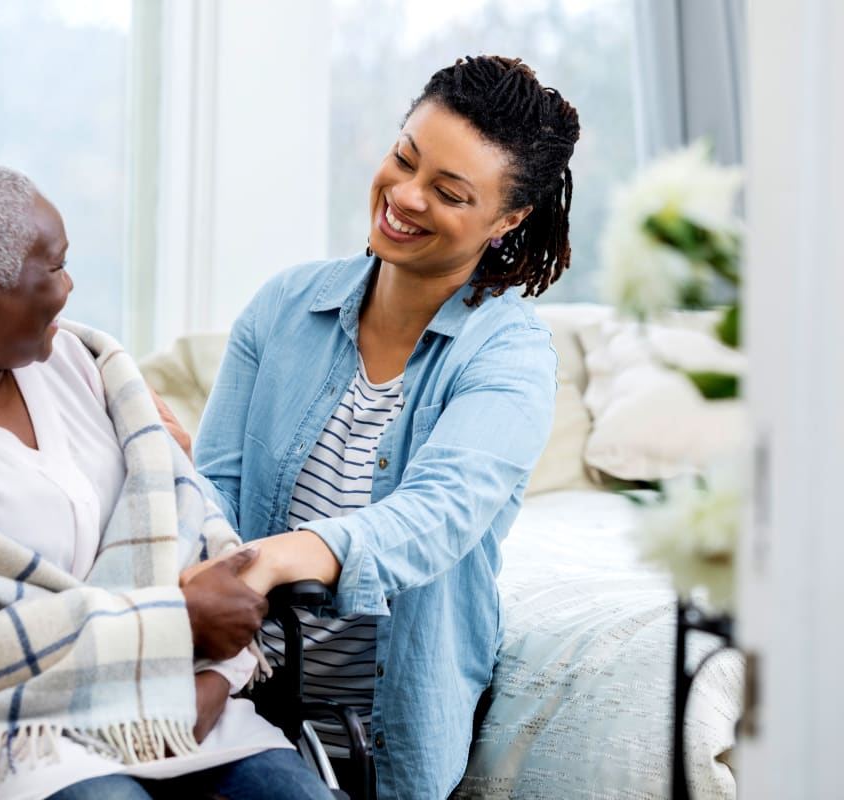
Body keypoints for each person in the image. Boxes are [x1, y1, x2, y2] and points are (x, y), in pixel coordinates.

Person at [0, 162, 334, 800]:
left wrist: (209, 684)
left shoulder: (84, 368)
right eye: (54, 267)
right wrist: (175, 622)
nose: (70, 285)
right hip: (4, 740)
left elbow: (200, 540)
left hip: (182, 705)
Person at [190, 56, 581, 798]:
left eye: (448, 192)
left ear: (507, 220)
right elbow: (214, 491)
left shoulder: (509, 353)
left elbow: (439, 514)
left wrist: (291, 555)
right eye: (404, 158)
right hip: (228, 686)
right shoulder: (284, 306)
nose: (404, 196)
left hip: (380, 719)